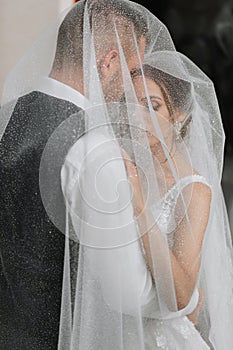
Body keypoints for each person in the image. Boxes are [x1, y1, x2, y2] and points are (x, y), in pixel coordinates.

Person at [0, 1, 156, 349]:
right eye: (132, 72)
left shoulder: (6, 116)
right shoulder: (95, 149)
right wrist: (183, 295)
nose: (132, 88)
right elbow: (127, 295)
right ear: (109, 61)